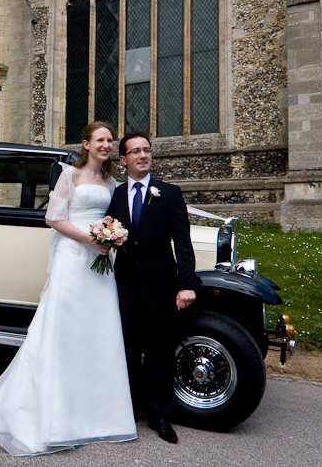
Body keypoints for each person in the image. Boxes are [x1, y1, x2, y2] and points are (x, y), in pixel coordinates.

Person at [0, 122, 137, 456]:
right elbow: (53, 218)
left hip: (100, 264)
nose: (107, 145)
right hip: (73, 257)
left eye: (110, 140)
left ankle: (100, 417)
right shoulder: (70, 175)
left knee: (97, 332)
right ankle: (58, 417)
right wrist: (90, 238)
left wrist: (111, 237)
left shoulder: (111, 182)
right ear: (86, 144)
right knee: (66, 329)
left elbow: (114, 218)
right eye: (100, 140)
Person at [107, 131, 198, 444]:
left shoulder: (169, 193)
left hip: (161, 289)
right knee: (129, 354)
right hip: (126, 290)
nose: (142, 155)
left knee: (160, 355)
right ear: (123, 159)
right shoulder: (116, 195)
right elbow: (108, 235)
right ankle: (130, 411)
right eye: (135, 151)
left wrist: (186, 285)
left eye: (146, 150)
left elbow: (183, 243)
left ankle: (160, 416)